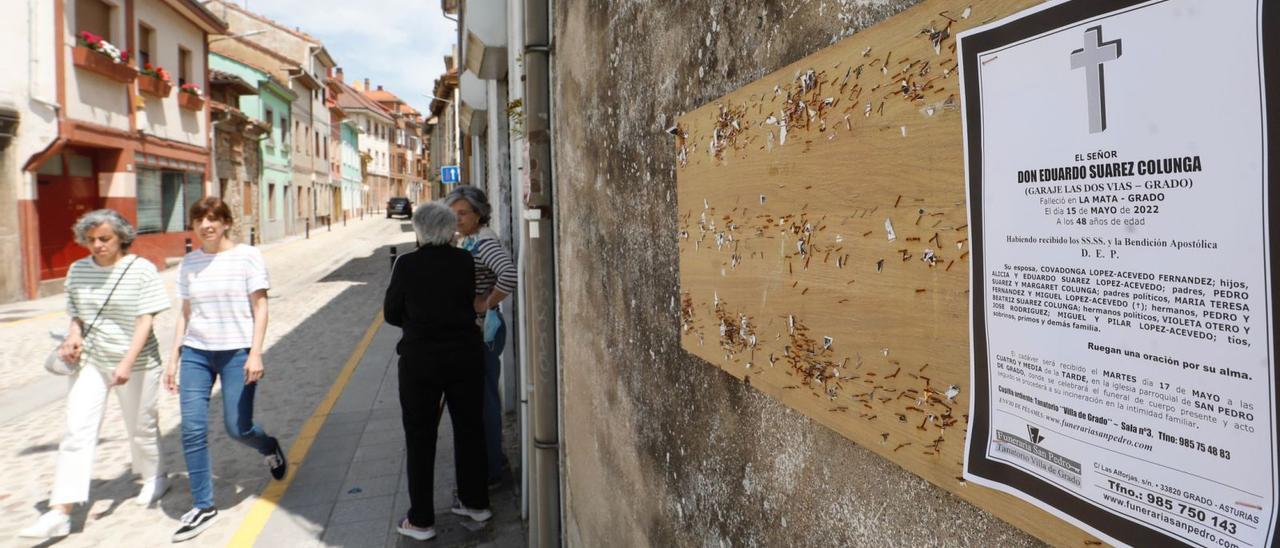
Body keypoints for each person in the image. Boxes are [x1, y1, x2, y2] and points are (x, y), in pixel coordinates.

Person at [19, 210, 171, 539]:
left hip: (138, 361)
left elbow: (145, 320)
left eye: (105, 239)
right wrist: (74, 336)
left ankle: (154, 475)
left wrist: (127, 363)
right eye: (91, 240)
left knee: (141, 426)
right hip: (93, 361)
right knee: (76, 431)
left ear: (121, 238)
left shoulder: (141, 270)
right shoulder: (78, 270)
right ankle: (61, 510)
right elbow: (77, 314)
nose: (97, 245)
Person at [164, 197, 286, 543]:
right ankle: (204, 504)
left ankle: (268, 447)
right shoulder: (188, 264)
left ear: (226, 222)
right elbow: (186, 314)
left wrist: (256, 353)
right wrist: (174, 357)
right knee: (191, 429)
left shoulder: (247, 256)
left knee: (238, 427)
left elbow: (260, 307)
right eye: (200, 219)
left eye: (214, 218)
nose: (207, 225)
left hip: (237, 352)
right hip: (197, 353)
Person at [385, 202, 492, 541]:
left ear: (419, 230)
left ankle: (421, 520)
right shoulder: (463, 260)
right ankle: (476, 503)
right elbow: (466, 301)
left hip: (421, 361)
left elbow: (390, 313)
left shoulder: (406, 264)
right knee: (469, 429)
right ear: (449, 229)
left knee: (420, 437)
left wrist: (417, 322)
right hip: (465, 355)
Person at [444, 186, 516, 486]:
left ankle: (493, 470)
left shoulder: (484, 241)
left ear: (479, 214)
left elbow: (509, 275)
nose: (457, 219)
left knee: (486, 400)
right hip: (475, 330)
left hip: (484, 330)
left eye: (463, 213)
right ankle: (492, 462)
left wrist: (486, 303)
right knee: (482, 398)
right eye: (453, 214)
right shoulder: (468, 240)